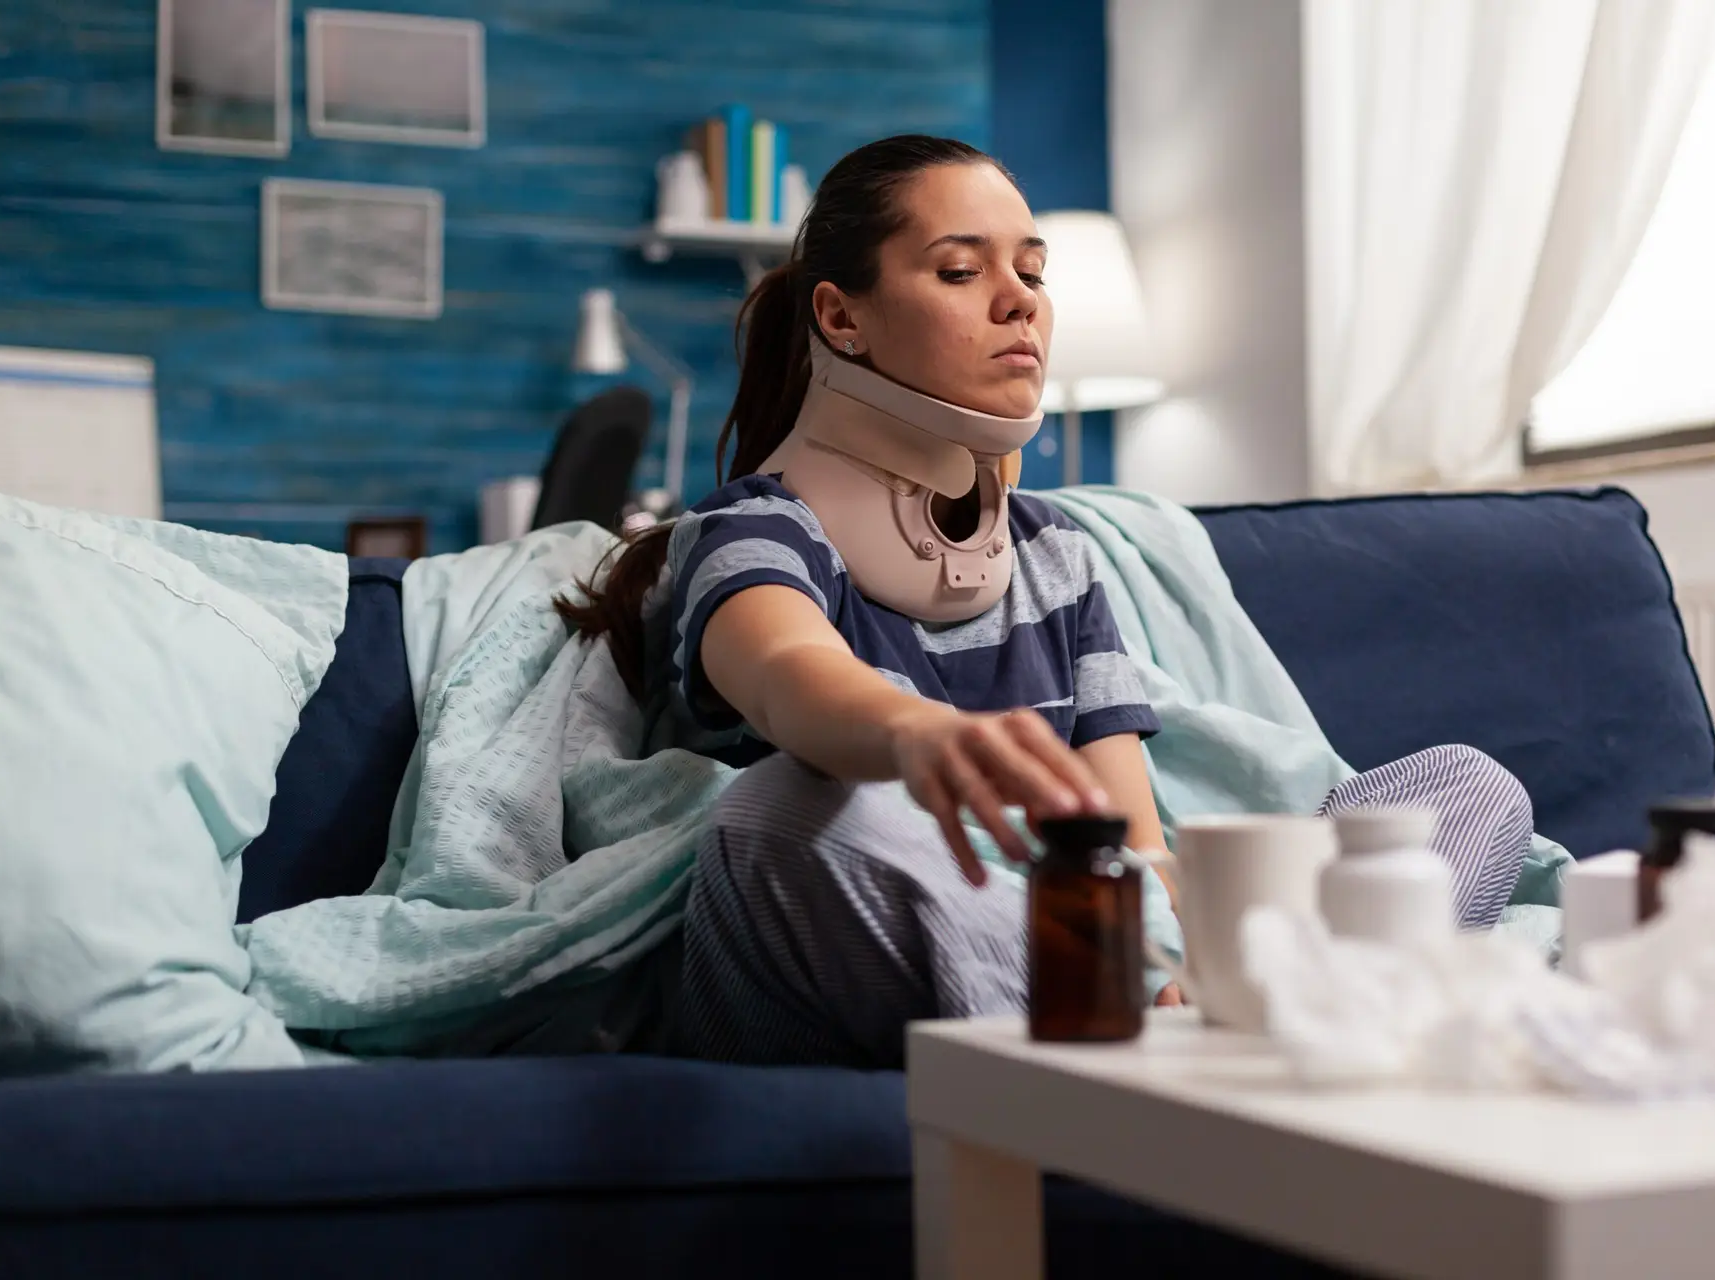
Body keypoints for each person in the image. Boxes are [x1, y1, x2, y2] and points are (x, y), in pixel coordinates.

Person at [560, 135, 1534, 1069]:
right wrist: (916, 737)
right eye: (960, 271)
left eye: (1032, 270)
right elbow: (781, 671)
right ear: (842, 318)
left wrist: (1172, 928)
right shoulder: (752, 528)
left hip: (1083, 942)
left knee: (1463, 783)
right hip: (831, 940)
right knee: (787, 809)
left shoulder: (1055, 552)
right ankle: (1172, 1063)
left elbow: (1134, 839)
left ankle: (1234, 1026)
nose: (1018, 299)